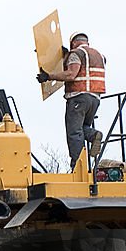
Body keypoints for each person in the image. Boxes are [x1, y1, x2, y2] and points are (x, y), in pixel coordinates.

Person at [37, 32, 106, 170]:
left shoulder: (76, 54)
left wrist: (49, 76)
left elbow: (71, 74)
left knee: (74, 132)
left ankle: (78, 167)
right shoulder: (99, 55)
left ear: (73, 42)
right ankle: (93, 135)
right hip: (95, 99)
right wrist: (65, 57)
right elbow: (85, 70)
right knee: (81, 128)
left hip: (78, 98)